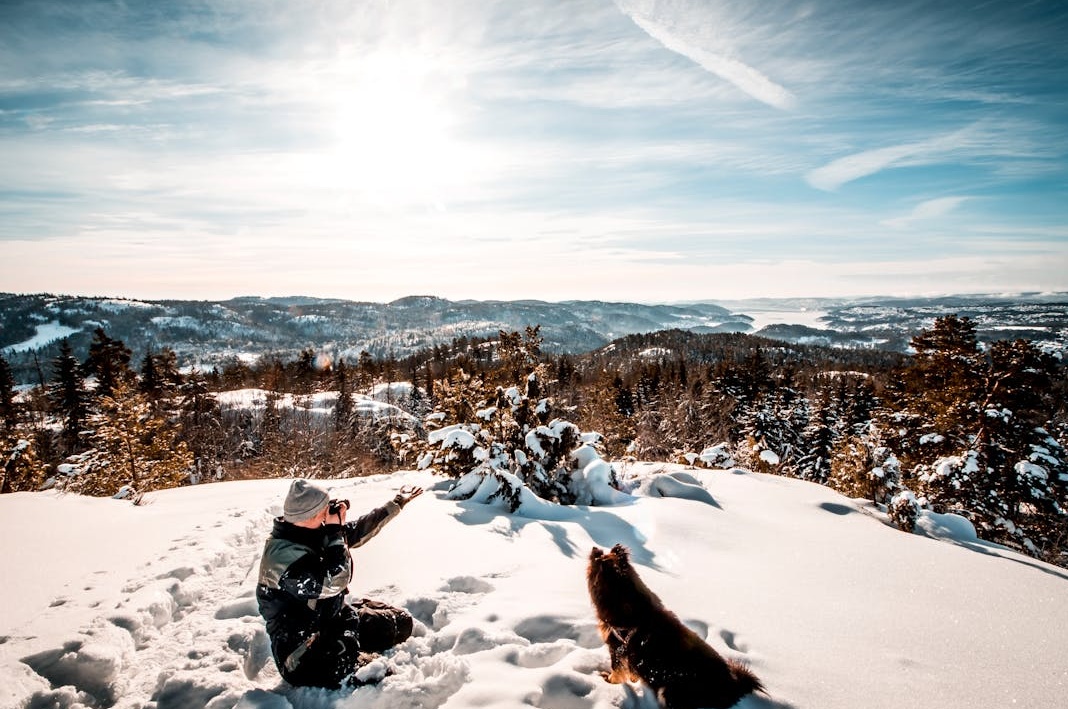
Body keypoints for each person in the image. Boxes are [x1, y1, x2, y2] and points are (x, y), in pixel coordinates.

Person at [256, 478, 424, 689]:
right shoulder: (282, 561)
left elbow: (359, 530)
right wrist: (335, 532)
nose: (330, 511)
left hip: (332, 620)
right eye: (326, 508)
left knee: (401, 623)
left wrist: (397, 502)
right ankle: (350, 659)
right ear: (313, 514)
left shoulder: (309, 531)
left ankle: (351, 640)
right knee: (381, 678)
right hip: (303, 653)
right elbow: (335, 580)